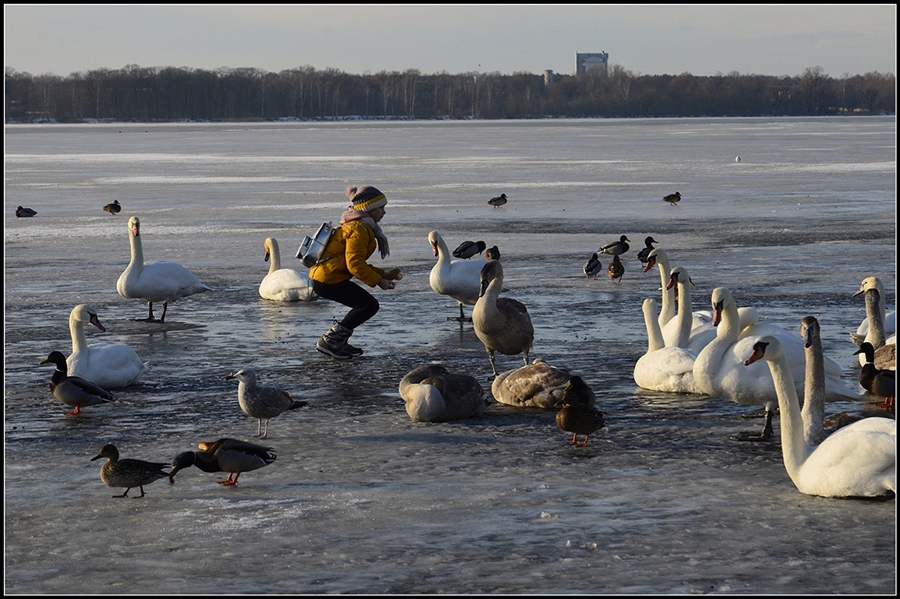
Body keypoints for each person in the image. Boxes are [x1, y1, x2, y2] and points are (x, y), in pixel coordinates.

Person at [308, 185, 401, 359]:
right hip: (328, 280)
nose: (384, 212)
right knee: (368, 305)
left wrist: (382, 274)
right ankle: (331, 341)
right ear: (368, 208)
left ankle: (337, 341)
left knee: (366, 305)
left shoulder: (359, 226)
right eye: (381, 207)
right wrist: (379, 281)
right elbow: (355, 265)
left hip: (328, 277)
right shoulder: (358, 229)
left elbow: (353, 262)